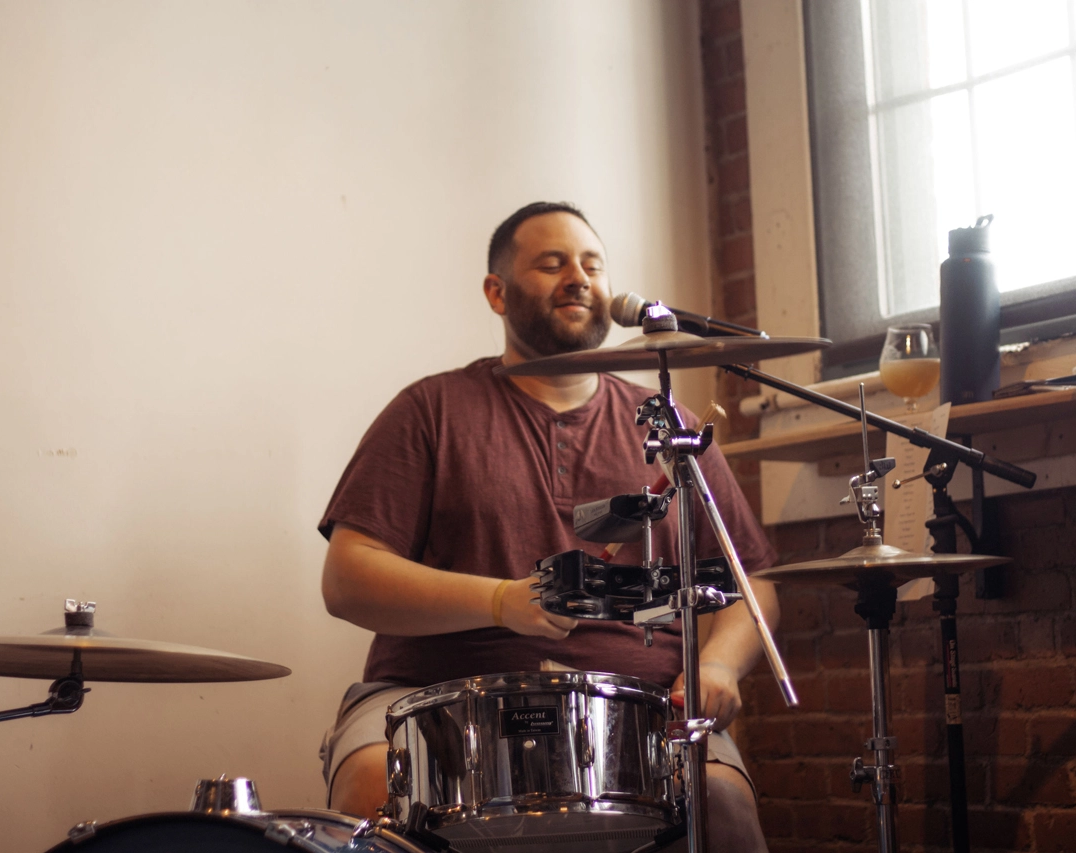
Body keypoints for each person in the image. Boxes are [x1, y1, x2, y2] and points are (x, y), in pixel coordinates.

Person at [317, 201, 780, 851]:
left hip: (642, 705)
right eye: (552, 263)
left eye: (592, 264)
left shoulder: (666, 424)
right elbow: (347, 578)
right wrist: (500, 601)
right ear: (496, 292)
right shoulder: (430, 409)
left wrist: (720, 665)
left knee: (721, 804)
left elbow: (751, 584)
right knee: (373, 788)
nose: (578, 277)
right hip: (435, 699)